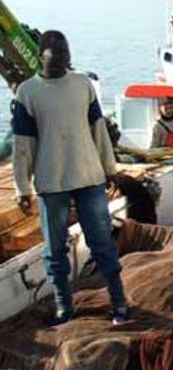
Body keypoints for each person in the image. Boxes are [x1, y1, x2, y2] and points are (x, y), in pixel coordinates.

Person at [12, 30, 129, 325]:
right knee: (54, 250)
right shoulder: (27, 93)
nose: (64, 59)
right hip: (51, 183)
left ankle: (119, 303)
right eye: (57, 55)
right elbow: (23, 146)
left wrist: (110, 169)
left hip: (89, 177)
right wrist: (22, 187)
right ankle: (65, 307)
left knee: (102, 242)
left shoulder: (82, 84)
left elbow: (98, 130)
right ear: (41, 56)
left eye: (66, 54)